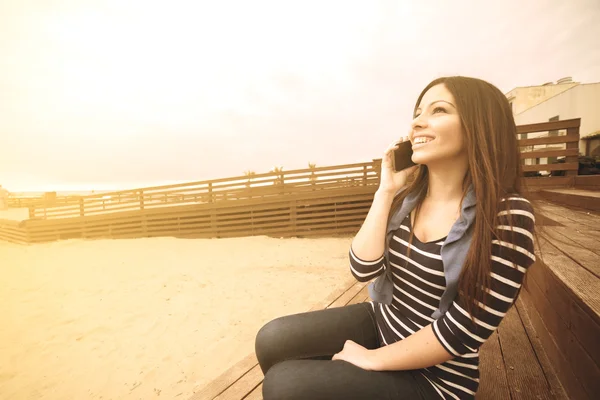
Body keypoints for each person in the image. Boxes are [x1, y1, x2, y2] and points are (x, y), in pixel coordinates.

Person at [254, 76, 537, 399]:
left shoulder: (507, 216)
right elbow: (362, 268)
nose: (417, 122)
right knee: (272, 338)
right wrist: (386, 190)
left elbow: (462, 332)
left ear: (479, 125)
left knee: (285, 386)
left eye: (438, 110)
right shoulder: (408, 200)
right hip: (384, 321)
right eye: (417, 113)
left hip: (436, 378)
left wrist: (372, 359)